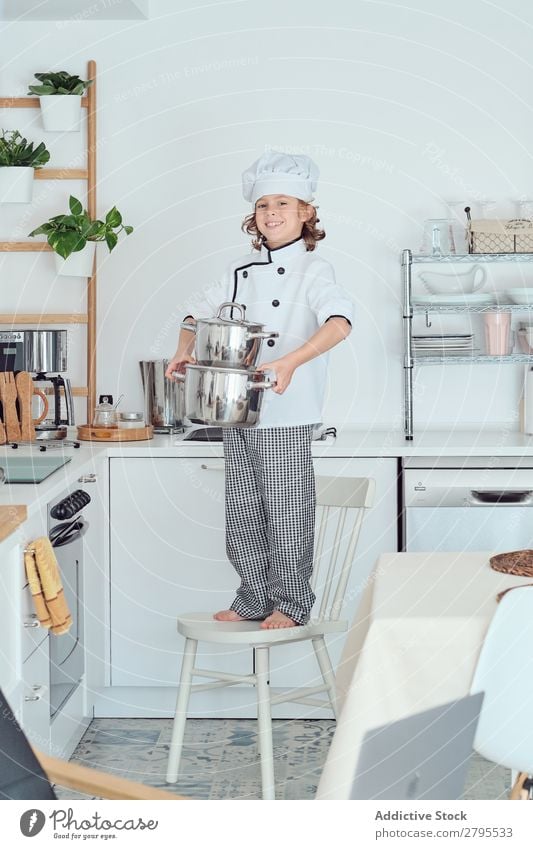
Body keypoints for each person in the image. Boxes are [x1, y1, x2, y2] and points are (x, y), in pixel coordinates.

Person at [166, 151, 354, 629]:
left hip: (288, 410)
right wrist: (185, 348)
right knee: (244, 508)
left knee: (286, 510)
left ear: (306, 212)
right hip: (238, 408)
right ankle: (252, 596)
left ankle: (291, 601)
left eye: (284, 204)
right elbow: (195, 315)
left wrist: (291, 361)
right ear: (254, 215)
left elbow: (339, 324)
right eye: (265, 204)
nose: (272, 213)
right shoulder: (236, 269)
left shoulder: (316, 270)